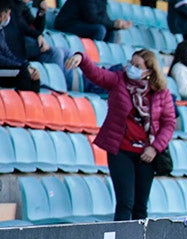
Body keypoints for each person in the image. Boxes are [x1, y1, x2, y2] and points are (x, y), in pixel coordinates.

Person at [64, 50, 175, 220]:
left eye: (138, 66)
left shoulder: (161, 92)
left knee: (140, 206)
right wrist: (82, 58)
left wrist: (154, 148)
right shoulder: (118, 80)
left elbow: (168, 124)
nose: (132, 68)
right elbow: (97, 75)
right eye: (131, 63)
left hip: (147, 155)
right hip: (121, 150)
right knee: (125, 202)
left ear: (149, 72)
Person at [53, 0, 132, 42]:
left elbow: (103, 16)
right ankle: (92, 53)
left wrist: (115, 25)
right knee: (99, 30)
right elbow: (91, 17)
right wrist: (113, 24)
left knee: (111, 32)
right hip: (68, 23)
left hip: (82, 22)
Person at [0, 1, 42, 92]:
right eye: (8, 13)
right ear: (3, 15)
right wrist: (22, 66)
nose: (9, 17)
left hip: (4, 67)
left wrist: (25, 64)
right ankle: (25, 102)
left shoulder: (1, 31)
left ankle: (33, 103)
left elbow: (8, 53)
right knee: (24, 73)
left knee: (33, 73)